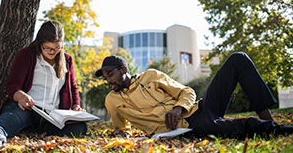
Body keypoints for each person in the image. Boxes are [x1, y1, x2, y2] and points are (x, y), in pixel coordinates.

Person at [95, 53, 293, 139]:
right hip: (187, 129)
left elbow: (187, 92)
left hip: (199, 109)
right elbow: (122, 128)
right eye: (105, 78)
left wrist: (178, 108)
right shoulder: (112, 100)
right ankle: (280, 129)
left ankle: (268, 118)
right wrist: (122, 134)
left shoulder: (151, 75)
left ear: (123, 69)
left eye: (110, 75)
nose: (109, 81)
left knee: (238, 59)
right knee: (243, 126)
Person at [0, 21, 87, 147]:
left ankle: (34, 131)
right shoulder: (27, 55)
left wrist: (76, 105)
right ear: (40, 43)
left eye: (57, 48)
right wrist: (20, 95)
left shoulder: (67, 59)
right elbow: (12, 85)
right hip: (27, 109)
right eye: (47, 48)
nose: (52, 52)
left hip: (53, 116)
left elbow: (73, 86)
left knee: (80, 128)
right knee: (1, 126)